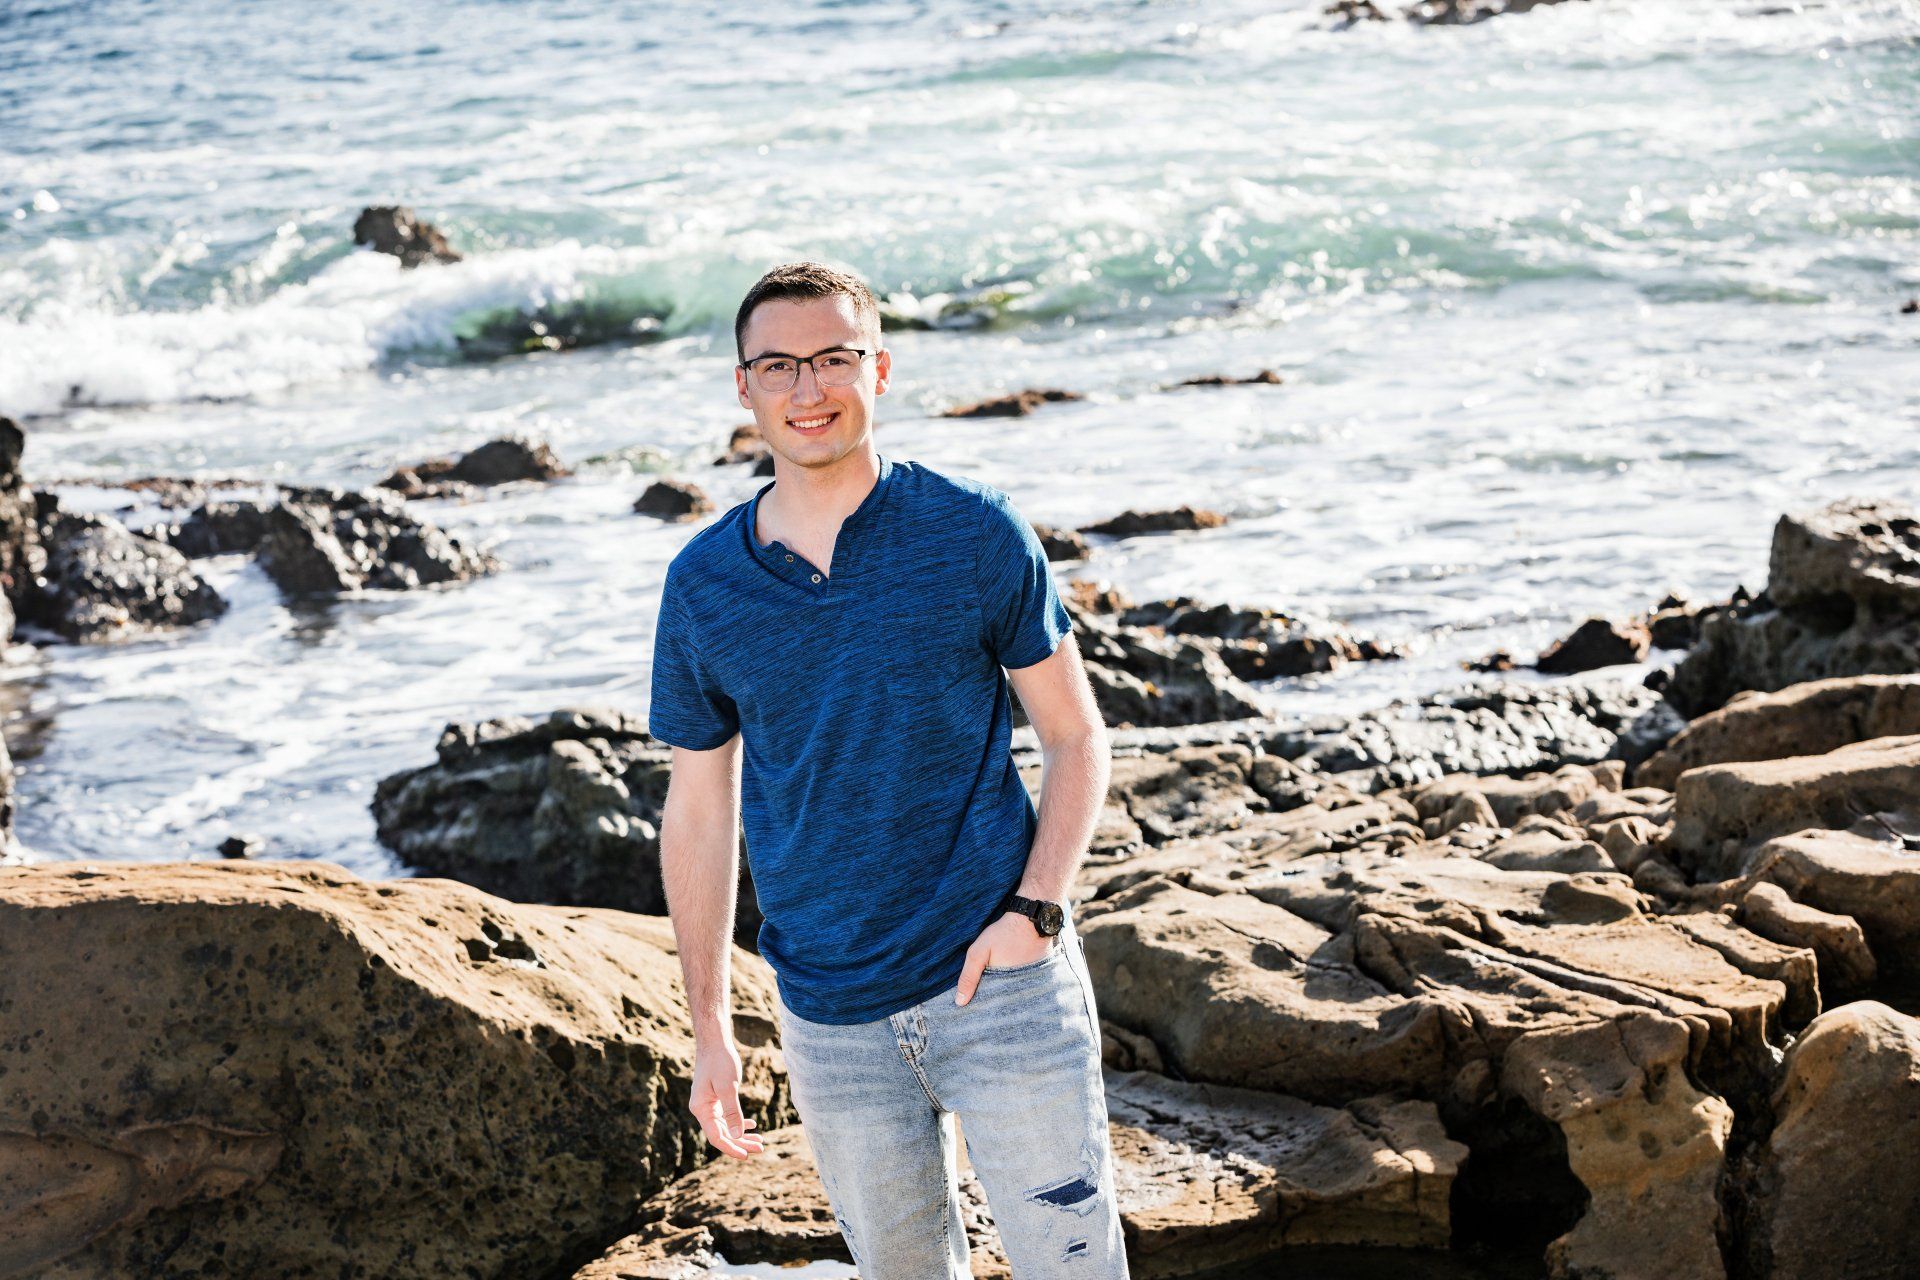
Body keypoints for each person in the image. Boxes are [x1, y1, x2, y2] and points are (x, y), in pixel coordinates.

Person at [647, 261, 1127, 1278]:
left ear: (880, 368)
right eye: (778, 364)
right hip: (830, 1018)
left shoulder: (973, 531)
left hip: (1002, 989)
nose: (807, 389)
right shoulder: (704, 586)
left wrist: (1034, 912)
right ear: (744, 387)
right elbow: (698, 807)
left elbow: (1077, 737)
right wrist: (710, 1029)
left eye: (833, 358)